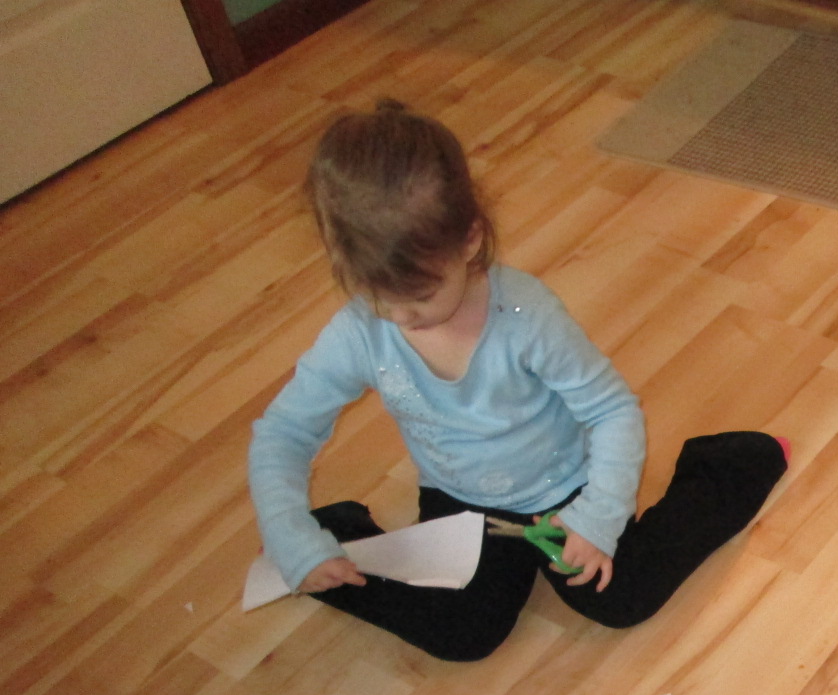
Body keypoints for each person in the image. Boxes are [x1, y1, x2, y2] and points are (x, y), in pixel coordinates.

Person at [249, 100, 788, 662]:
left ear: (469, 240)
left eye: (423, 294)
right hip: (459, 500)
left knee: (621, 598)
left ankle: (728, 464)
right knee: (466, 636)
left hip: (564, 487)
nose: (402, 316)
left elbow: (612, 411)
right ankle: (330, 536)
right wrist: (290, 536)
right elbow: (283, 433)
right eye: (377, 295)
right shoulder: (360, 330)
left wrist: (597, 517)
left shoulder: (525, 317)